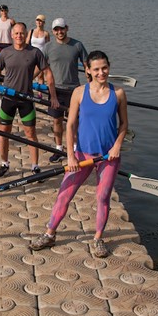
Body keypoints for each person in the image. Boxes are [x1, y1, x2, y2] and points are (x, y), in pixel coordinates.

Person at [28, 50, 129, 258]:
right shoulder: (80, 93)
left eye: (104, 68)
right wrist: (71, 155)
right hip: (82, 153)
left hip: (108, 156)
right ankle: (50, 233)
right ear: (88, 71)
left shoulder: (118, 93)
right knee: (64, 193)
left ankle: (98, 238)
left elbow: (124, 124)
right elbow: (71, 124)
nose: (102, 72)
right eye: (97, 69)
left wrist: (117, 145)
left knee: (102, 197)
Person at [0, 22, 58, 178]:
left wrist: (53, 95)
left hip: (26, 99)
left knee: (31, 133)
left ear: (26, 35)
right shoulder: (5, 52)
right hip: (8, 98)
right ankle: (4, 164)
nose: (19, 36)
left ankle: (35, 166)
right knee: (4, 133)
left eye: (22, 33)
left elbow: (48, 72)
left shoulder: (35, 52)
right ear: (12, 35)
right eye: (16, 33)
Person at [42, 17, 88, 159]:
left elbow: (87, 66)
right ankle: (59, 149)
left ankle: (75, 149)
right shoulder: (48, 47)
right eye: (56, 30)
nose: (60, 32)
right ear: (53, 32)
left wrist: (92, 84)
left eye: (62, 28)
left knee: (73, 121)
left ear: (67, 28)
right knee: (57, 121)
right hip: (55, 90)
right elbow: (41, 67)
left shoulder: (78, 45)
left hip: (74, 90)